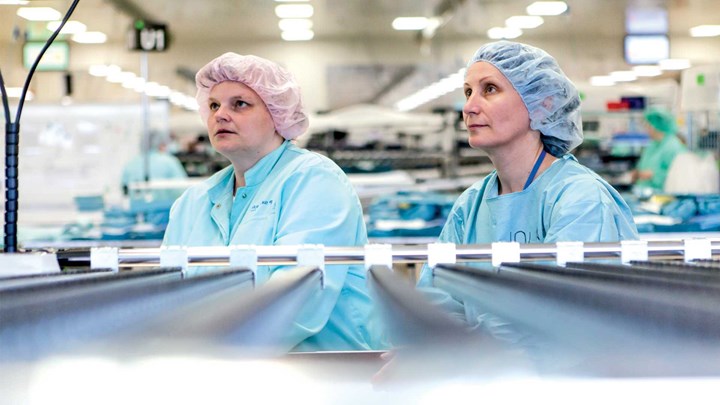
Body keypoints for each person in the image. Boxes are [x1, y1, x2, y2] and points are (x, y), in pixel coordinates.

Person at [162, 53, 380, 352]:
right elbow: (169, 296)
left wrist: (206, 351)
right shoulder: (192, 203)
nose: (220, 115)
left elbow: (296, 299)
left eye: (239, 104)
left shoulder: (314, 180)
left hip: (324, 376)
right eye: (214, 105)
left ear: (278, 115)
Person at [417, 41, 638, 288]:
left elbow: (564, 306)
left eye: (489, 89)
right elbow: (436, 296)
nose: (469, 107)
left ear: (542, 105)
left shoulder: (581, 200)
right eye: (468, 92)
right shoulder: (470, 206)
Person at [631, 107, 687, 192]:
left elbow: (680, 175)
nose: (647, 129)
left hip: (664, 197)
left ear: (657, 126)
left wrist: (654, 175)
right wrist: (637, 173)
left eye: (649, 125)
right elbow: (643, 166)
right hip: (646, 194)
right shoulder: (653, 145)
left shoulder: (673, 146)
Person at [120, 130, 188, 195]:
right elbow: (181, 190)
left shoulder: (130, 164)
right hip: (166, 206)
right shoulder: (169, 162)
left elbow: (124, 190)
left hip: (136, 206)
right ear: (161, 144)